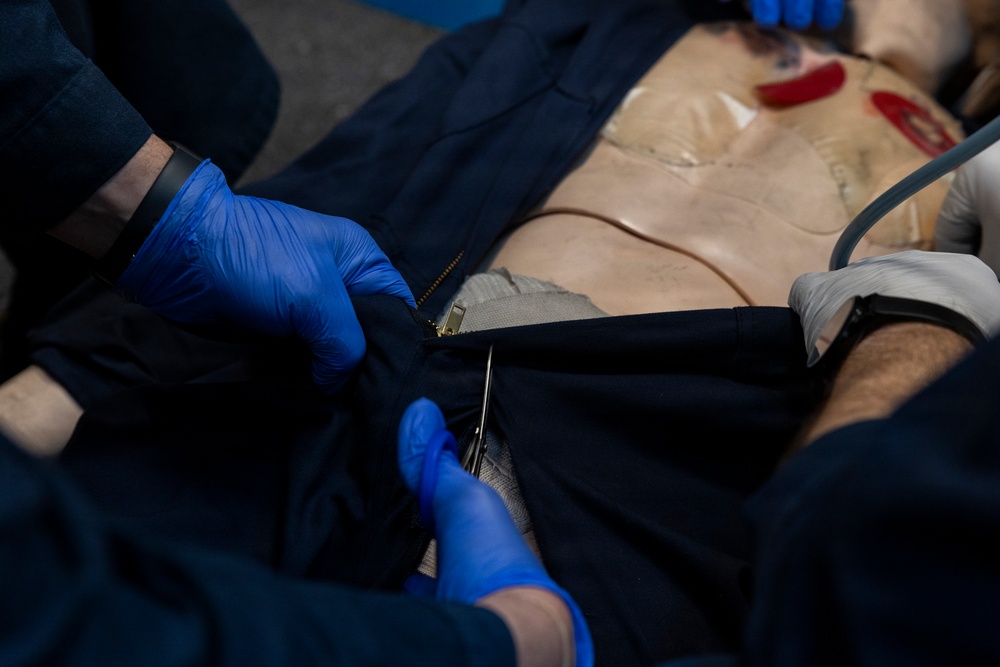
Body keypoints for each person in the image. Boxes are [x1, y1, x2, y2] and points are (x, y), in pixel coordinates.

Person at [3, 0, 1000, 665]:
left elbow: (871, 550)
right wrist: (65, 382)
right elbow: (374, 172)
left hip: (640, 464)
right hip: (355, 358)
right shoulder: (603, 22)